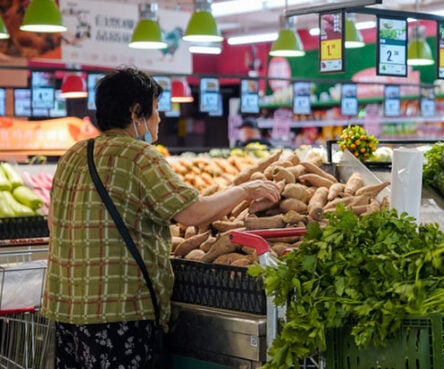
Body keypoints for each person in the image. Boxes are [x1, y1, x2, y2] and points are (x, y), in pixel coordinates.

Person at [42, 67, 281, 369]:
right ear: (135, 112)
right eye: (156, 110)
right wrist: (246, 189)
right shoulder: (141, 156)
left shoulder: (74, 155)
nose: (159, 119)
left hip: (66, 308)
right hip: (118, 313)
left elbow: (54, 224)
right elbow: (193, 213)